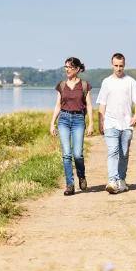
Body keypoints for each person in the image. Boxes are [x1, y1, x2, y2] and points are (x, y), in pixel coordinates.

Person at [97, 53, 136, 194]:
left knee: (124, 154)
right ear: (112, 65)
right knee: (112, 152)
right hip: (110, 123)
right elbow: (102, 103)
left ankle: (122, 180)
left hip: (126, 124)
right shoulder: (106, 82)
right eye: (116, 66)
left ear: (124, 65)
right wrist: (100, 121)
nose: (118, 68)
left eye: (121, 66)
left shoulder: (130, 81)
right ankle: (112, 181)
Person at [50, 57, 94, 196]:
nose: (67, 70)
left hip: (78, 119)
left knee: (78, 154)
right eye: (66, 67)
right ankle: (70, 184)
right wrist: (52, 123)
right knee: (67, 154)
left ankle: (81, 175)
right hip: (63, 119)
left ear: (77, 69)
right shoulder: (61, 85)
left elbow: (89, 105)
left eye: (69, 67)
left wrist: (91, 123)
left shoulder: (85, 85)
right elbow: (58, 105)